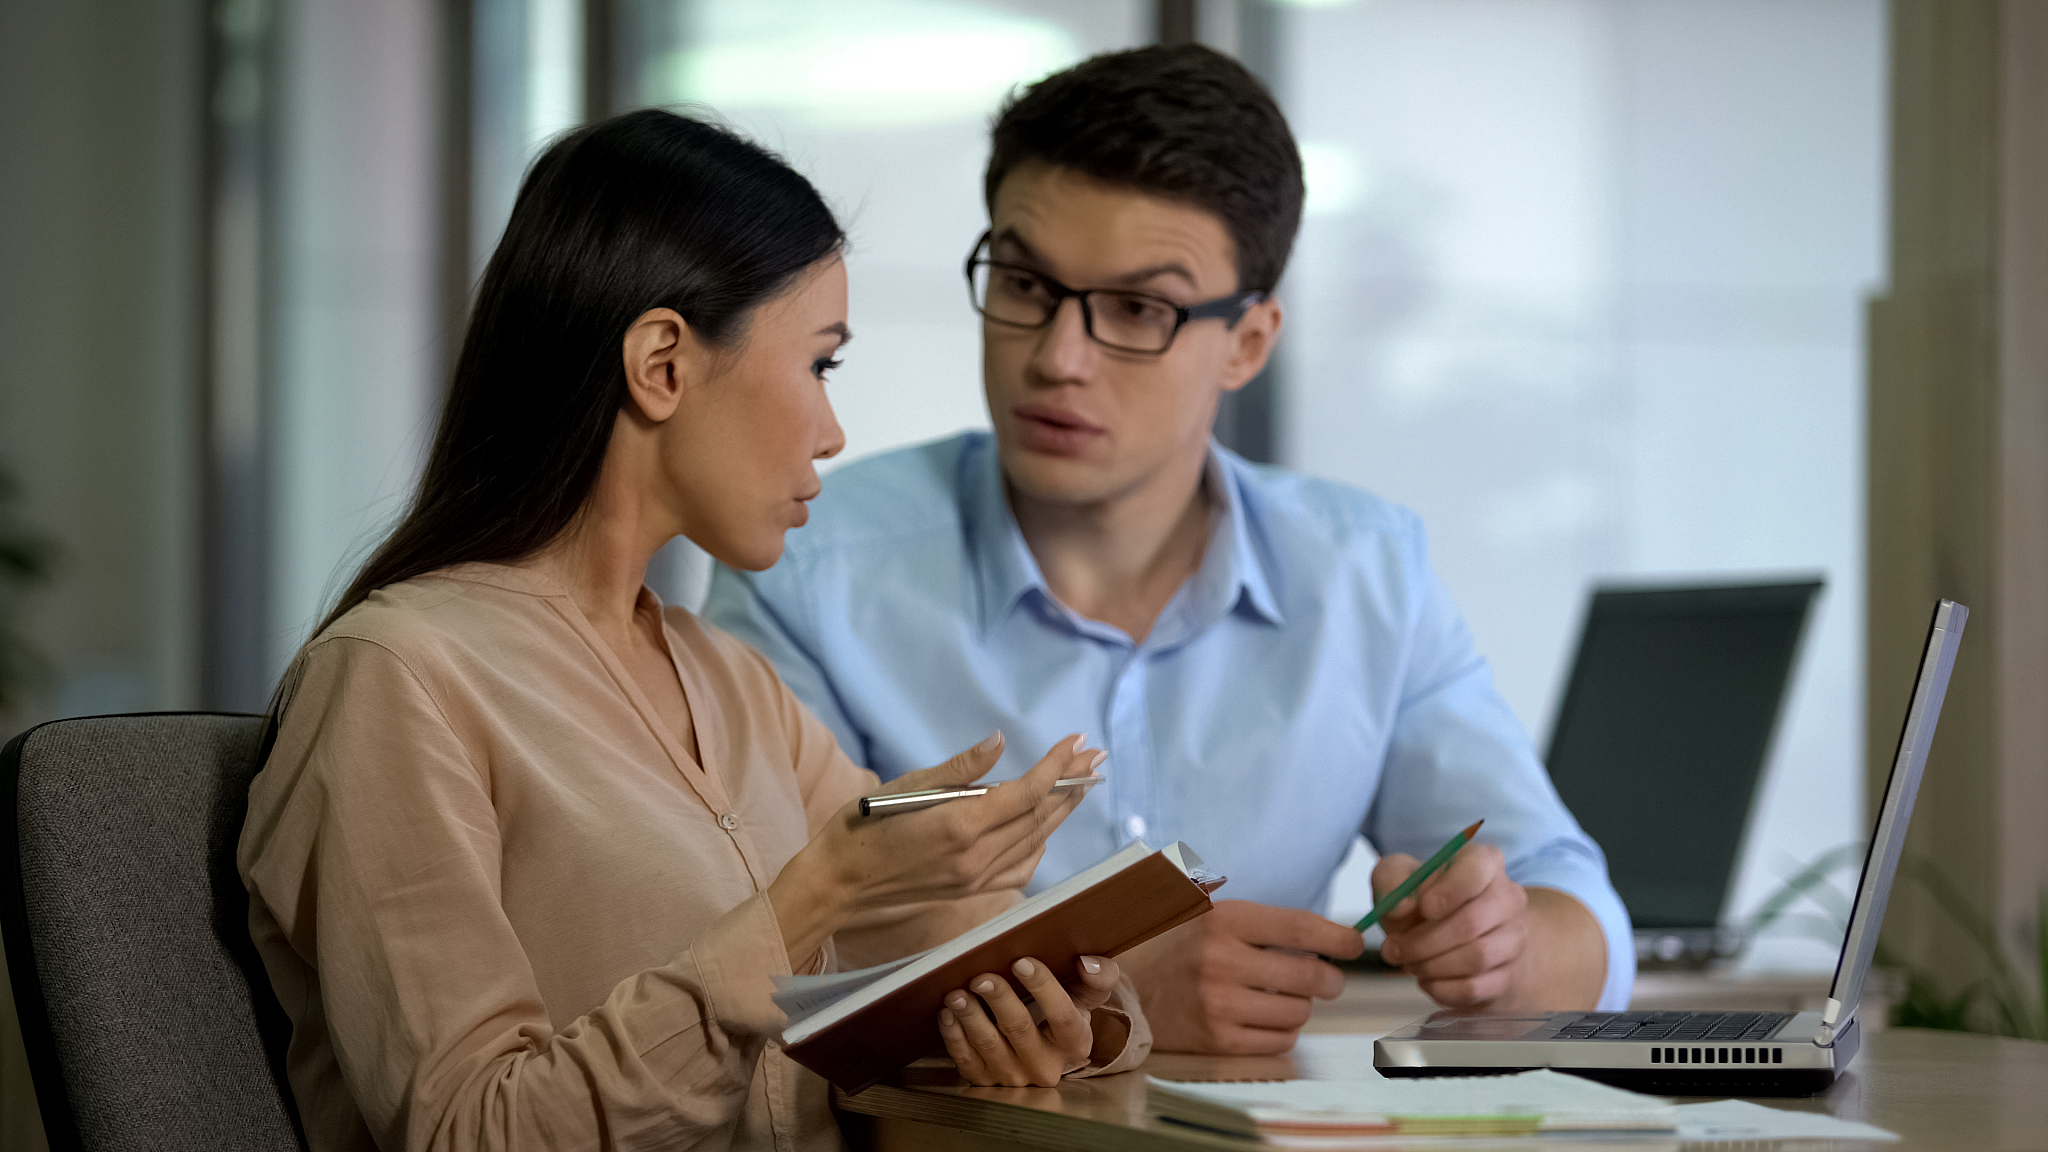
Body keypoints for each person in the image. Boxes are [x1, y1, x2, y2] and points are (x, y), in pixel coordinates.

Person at [239, 110, 1151, 1152]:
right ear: (662, 364)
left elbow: (944, 970)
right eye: (820, 364)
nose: (832, 429)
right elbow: (473, 1132)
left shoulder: (732, 684)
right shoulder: (397, 680)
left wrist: (1055, 1010)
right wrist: (815, 895)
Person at [702, 44, 1635, 1057]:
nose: (1057, 357)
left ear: (1247, 342)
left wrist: (1501, 948)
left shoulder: (1365, 572)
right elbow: (748, 937)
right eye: (1022, 283)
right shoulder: (809, 561)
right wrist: (1109, 989)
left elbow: (1563, 889)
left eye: (1138, 309)